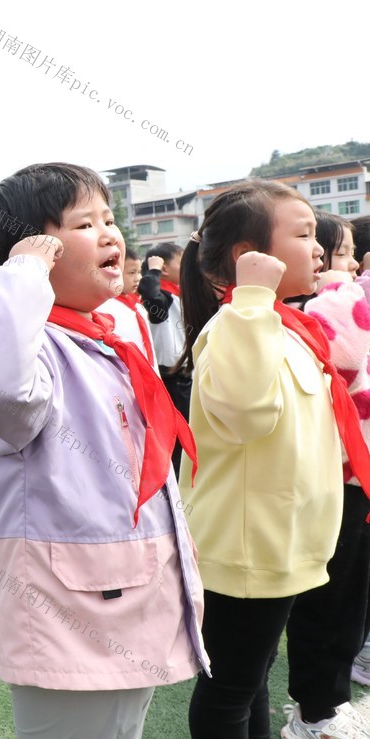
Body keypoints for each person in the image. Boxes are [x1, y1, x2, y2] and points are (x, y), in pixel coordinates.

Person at [0, 162, 208, 738]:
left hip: (125, 599)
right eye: (84, 223)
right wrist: (19, 273)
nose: (110, 233)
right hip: (68, 612)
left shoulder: (100, 335)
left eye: (109, 219)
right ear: (33, 253)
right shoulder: (24, 340)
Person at [176, 180, 370, 739]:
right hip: (247, 550)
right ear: (248, 257)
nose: (319, 249)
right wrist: (254, 299)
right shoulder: (240, 324)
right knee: (231, 689)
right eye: (305, 234)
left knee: (249, 681)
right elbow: (246, 412)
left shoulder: (283, 324)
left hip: (275, 543)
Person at [278, 212, 370, 738]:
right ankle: (315, 711)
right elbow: (348, 351)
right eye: (340, 254)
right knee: (326, 604)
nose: (348, 265)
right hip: (332, 480)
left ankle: (324, 704)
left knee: (348, 603)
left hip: (355, 479)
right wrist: (341, 287)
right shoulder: (316, 312)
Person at [139, 242, 190, 472]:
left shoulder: (180, 294)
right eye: (181, 260)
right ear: (164, 269)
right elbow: (150, 294)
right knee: (177, 437)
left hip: (186, 375)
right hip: (172, 378)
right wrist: (154, 270)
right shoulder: (163, 298)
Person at [98, 245, 157, 366]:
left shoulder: (137, 306)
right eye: (131, 273)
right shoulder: (103, 308)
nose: (138, 278)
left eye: (139, 272)